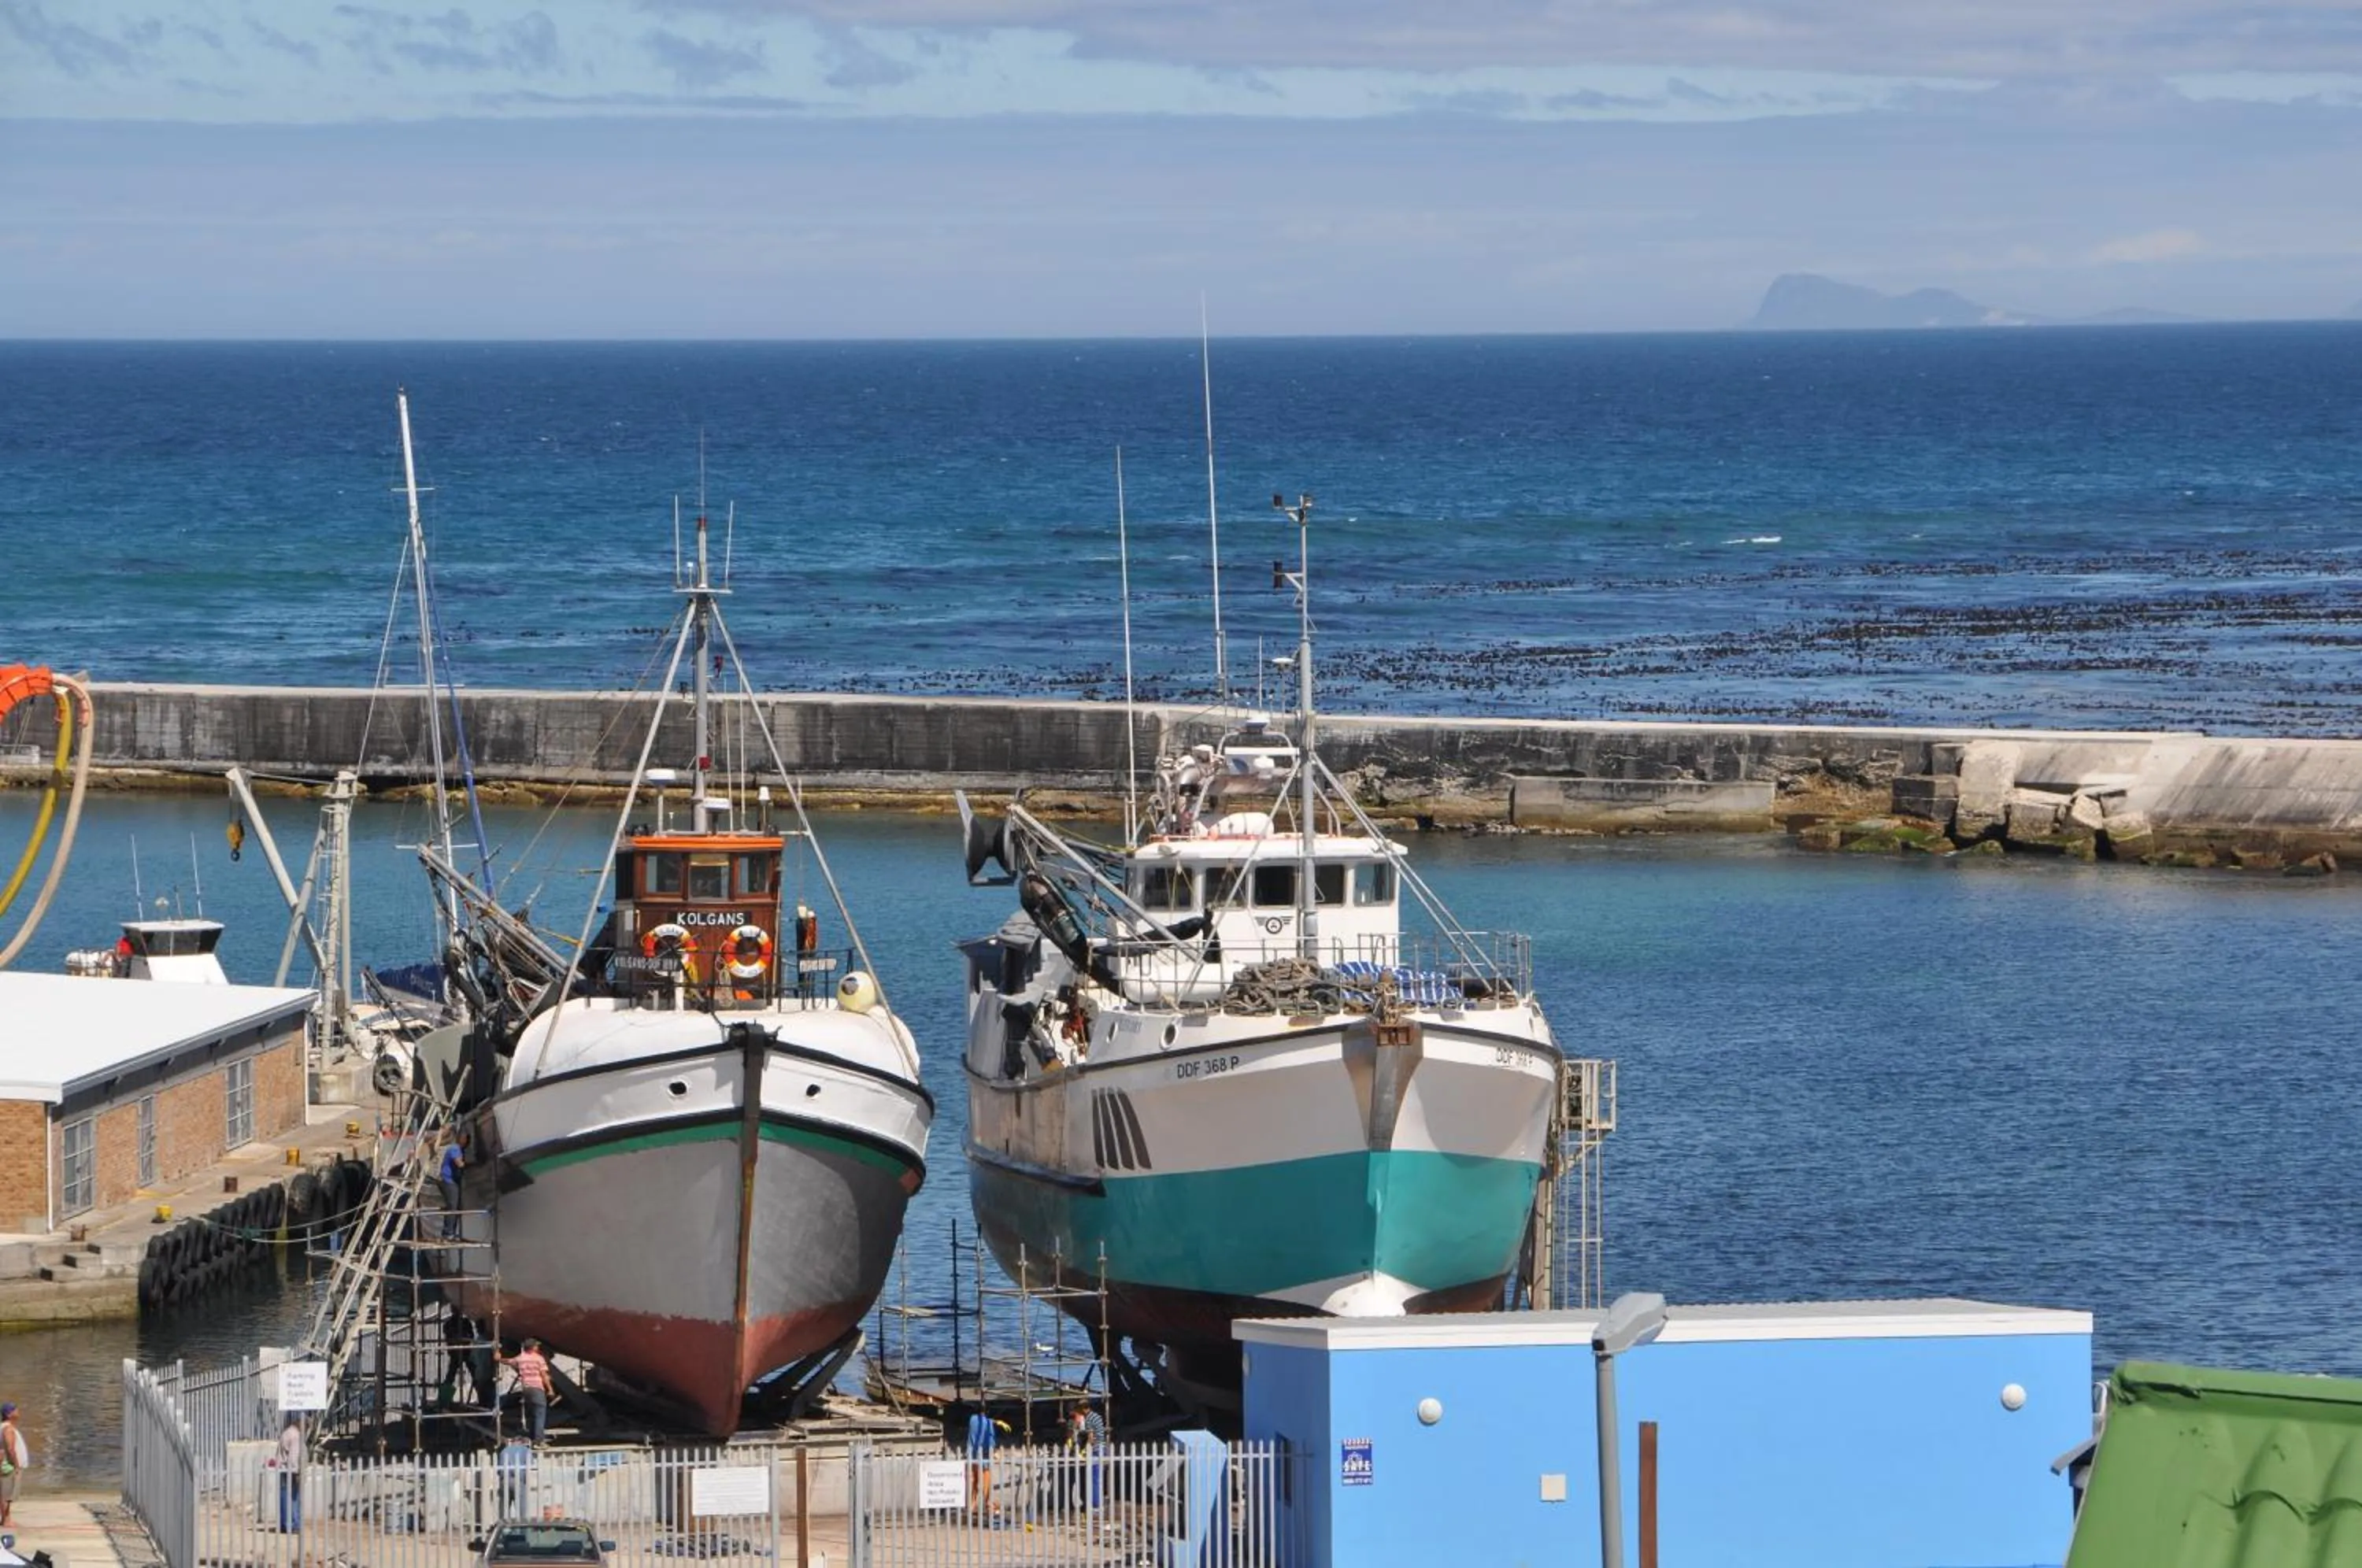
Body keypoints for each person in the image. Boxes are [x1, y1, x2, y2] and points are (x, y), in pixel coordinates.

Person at [501, 1338, 552, 1444]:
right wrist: (550, 1389)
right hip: (537, 1388)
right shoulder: (539, 1359)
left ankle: (533, 1436)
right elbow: (544, 1375)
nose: (538, 1348)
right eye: (536, 1346)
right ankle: (539, 1441)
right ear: (533, 1348)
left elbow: (509, 1361)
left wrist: (498, 1359)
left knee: (533, 1414)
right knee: (540, 1414)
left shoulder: (521, 1358)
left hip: (526, 1389)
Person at [267, 1414, 303, 1534]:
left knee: (283, 1497)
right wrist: (296, 1472)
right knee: (293, 1498)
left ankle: (284, 1523)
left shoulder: (286, 1432)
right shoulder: (296, 1436)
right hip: (290, 1471)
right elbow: (293, 1457)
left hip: (282, 1468)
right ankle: (293, 1524)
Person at [963, 1406, 1001, 1516]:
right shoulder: (989, 1424)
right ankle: (988, 1505)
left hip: (972, 1455)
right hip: (983, 1457)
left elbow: (978, 1421)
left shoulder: (972, 1419)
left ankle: (971, 1505)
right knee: (986, 1482)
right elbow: (991, 1441)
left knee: (974, 1481)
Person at [1, 1401, 28, 1529]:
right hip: (9, 1465)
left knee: (5, 1493)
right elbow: (11, 1449)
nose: (18, 1412)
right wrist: (16, 1465)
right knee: (7, 1494)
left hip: (5, 1464)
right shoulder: (8, 1429)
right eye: (16, 1410)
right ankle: (6, 1520)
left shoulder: (3, 1427)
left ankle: (6, 1519)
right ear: (9, 1414)